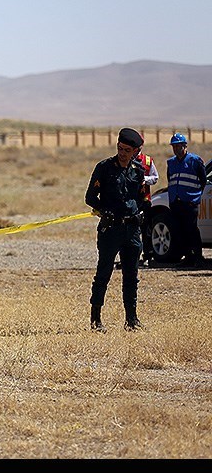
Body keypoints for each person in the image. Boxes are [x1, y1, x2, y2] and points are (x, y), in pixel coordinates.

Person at [85, 128, 146, 333]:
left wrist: (140, 214)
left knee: (131, 275)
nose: (122, 153)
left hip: (131, 231)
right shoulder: (104, 168)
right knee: (104, 273)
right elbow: (90, 198)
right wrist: (104, 211)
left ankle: (132, 319)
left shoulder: (138, 171)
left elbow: (143, 199)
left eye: (127, 150)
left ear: (136, 151)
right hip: (110, 230)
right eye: (120, 148)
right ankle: (96, 320)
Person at [166, 133, 207, 268]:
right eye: (174, 146)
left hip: (189, 202)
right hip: (176, 202)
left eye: (178, 146)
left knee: (192, 230)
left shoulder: (195, 160)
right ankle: (188, 257)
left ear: (185, 146)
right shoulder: (171, 162)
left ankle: (198, 257)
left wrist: (194, 196)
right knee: (179, 231)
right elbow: (170, 179)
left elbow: (203, 180)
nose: (176, 148)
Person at [135, 139, 159, 266]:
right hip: (131, 201)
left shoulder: (148, 161)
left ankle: (149, 255)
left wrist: (145, 179)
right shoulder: (125, 159)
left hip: (145, 200)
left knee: (146, 229)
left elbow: (155, 177)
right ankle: (133, 256)